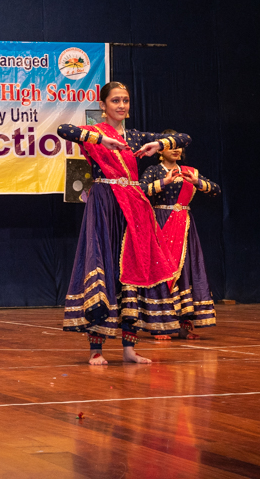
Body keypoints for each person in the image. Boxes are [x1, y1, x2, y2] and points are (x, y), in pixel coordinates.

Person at [57, 81, 189, 365]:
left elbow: (185, 138)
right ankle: (97, 349)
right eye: (115, 100)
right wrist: (102, 141)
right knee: (103, 265)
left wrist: (159, 144)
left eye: (126, 100)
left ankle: (129, 347)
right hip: (105, 203)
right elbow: (63, 130)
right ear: (102, 106)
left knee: (132, 269)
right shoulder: (93, 133)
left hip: (133, 206)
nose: (121, 105)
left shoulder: (136, 136)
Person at [140, 130, 220, 340]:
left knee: (185, 271)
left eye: (179, 145)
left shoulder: (189, 172)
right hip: (160, 223)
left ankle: (185, 324)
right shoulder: (153, 171)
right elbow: (139, 191)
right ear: (160, 149)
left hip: (184, 226)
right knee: (162, 271)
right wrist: (163, 183)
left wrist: (197, 182)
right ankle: (159, 325)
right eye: (171, 145)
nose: (176, 149)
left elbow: (215, 190)